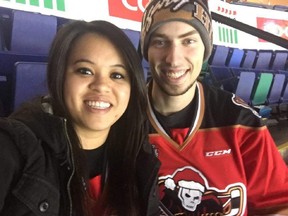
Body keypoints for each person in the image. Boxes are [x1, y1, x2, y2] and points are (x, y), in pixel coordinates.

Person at [139, 0, 288, 215]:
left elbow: (279, 204)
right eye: (160, 42)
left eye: (188, 41)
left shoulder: (240, 121)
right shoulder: (123, 119)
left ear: (205, 49)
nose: (174, 59)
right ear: (146, 49)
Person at [0, 20, 160, 215]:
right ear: (59, 76)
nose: (102, 85)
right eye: (85, 71)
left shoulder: (138, 152)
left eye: (117, 75)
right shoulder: (14, 146)